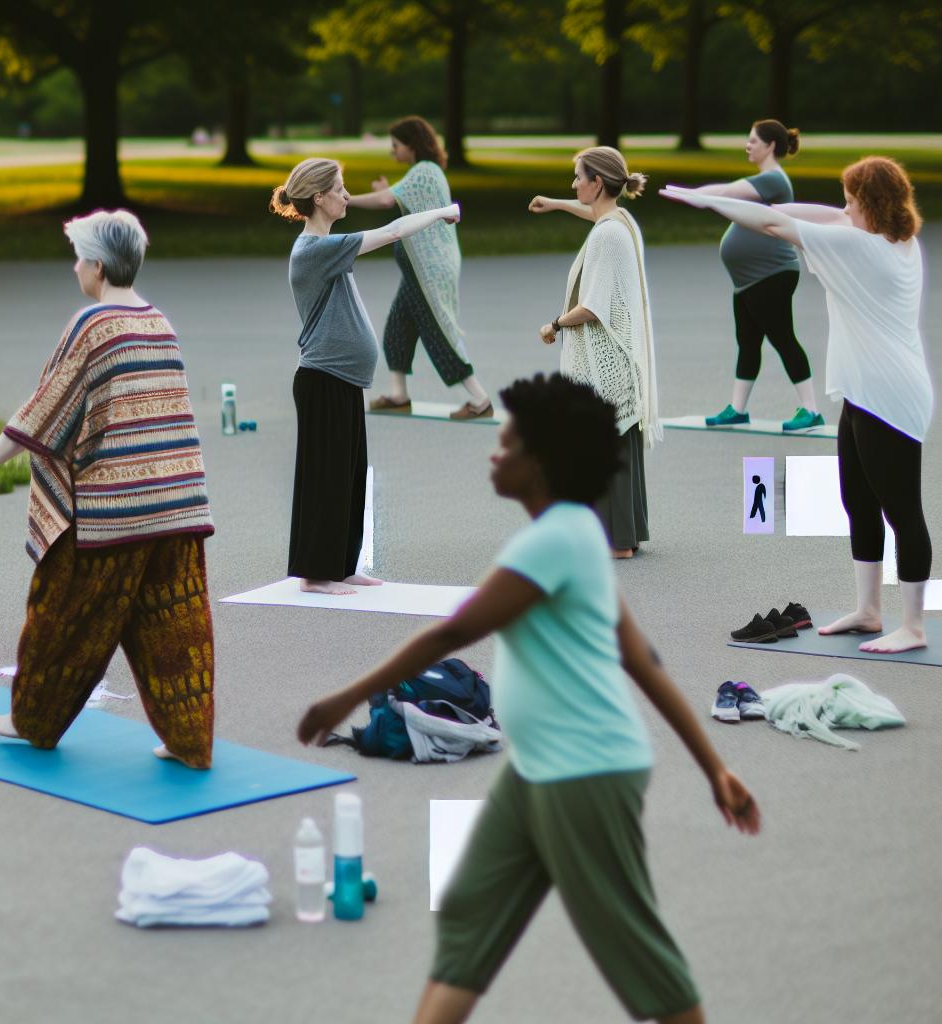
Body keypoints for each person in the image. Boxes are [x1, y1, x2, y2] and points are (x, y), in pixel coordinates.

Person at [296, 373, 760, 1024]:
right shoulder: (579, 534)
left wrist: (345, 697)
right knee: (470, 914)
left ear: (539, 463)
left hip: (584, 773)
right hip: (539, 767)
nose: (494, 452)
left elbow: (456, 630)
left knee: (637, 951)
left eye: (506, 443)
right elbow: (643, 659)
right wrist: (715, 768)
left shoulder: (552, 543)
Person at [0, 210, 217, 769]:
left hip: (114, 513)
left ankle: (31, 722)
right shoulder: (160, 323)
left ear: (97, 265)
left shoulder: (93, 325)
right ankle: (189, 739)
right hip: (177, 505)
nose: (76, 267)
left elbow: (46, 409)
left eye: (79, 257)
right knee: (173, 628)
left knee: (61, 618)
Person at [663, 156, 933, 653]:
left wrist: (707, 201)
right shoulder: (894, 237)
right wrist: (738, 200)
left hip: (890, 394)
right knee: (858, 501)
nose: (843, 208)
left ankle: (913, 626)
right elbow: (809, 211)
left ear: (869, 207)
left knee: (902, 511)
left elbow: (773, 222)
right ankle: (870, 610)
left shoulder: (860, 246)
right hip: (863, 389)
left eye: (852, 201)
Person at [271, 157, 461, 594]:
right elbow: (392, 232)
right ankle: (315, 574)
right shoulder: (313, 250)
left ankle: (340, 564)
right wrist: (441, 212)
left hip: (342, 379)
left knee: (349, 475)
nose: (347, 194)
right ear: (319, 198)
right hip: (322, 378)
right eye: (339, 188)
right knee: (325, 477)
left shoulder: (327, 245)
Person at [527, 146, 660, 559]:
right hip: (622, 363)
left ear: (597, 182)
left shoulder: (606, 235)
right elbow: (591, 213)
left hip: (607, 364)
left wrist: (555, 323)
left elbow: (593, 307)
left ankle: (615, 543)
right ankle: (626, 533)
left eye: (577, 178)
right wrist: (555, 204)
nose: (573, 185)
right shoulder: (620, 220)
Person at [346, 116, 491, 420]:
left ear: (411, 145)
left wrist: (347, 200)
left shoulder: (424, 172)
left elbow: (387, 201)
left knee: (439, 334)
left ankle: (480, 400)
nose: (392, 152)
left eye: (395, 146)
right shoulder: (424, 173)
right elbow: (403, 202)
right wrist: (390, 191)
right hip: (417, 272)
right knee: (397, 329)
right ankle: (399, 395)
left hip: (429, 271)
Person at [689, 120, 822, 431]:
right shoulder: (765, 181)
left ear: (770, 146)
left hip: (772, 275)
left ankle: (811, 411)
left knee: (783, 339)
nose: (747, 146)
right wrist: (694, 195)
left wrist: (692, 195)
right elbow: (727, 195)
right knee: (747, 343)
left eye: (752, 141)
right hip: (748, 280)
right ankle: (737, 409)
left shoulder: (774, 180)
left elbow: (726, 192)